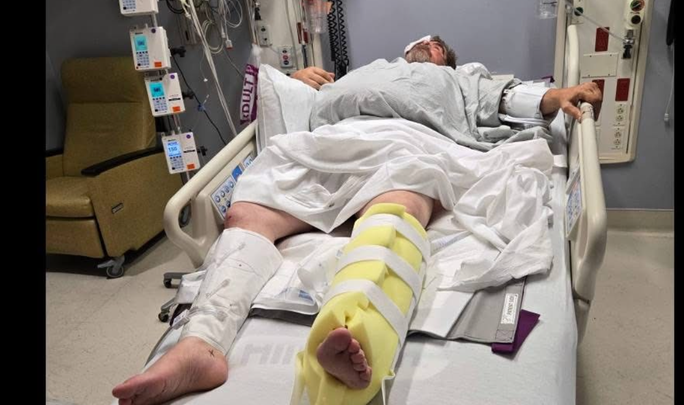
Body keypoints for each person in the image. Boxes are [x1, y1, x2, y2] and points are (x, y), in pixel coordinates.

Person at [112, 35, 602, 405]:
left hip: (411, 141)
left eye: (434, 45)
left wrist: (556, 97)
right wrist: (297, 80)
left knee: (400, 197)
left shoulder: (462, 78)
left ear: (442, 56)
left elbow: (509, 99)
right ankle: (201, 345)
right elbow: (304, 106)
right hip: (330, 147)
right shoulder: (361, 73)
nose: (424, 46)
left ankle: (355, 328)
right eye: (420, 43)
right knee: (249, 209)